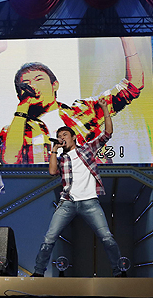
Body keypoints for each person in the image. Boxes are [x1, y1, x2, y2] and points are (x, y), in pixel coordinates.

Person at [0, 37, 144, 164]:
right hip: (48, 185)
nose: (32, 86)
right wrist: (22, 109)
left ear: (55, 85)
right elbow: (9, 160)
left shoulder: (83, 110)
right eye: (25, 84)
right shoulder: (12, 131)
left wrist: (127, 39)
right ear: (19, 95)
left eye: (38, 79)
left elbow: (133, 85)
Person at [32, 98, 123, 277]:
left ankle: (119, 271)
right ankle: (38, 273)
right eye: (59, 136)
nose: (62, 138)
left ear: (73, 137)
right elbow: (52, 171)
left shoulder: (87, 149)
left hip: (90, 202)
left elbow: (108, 133)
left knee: (106, 237)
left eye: (65, 135)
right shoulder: (61, 158)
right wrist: (54, 149)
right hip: (67, 203)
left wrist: (105, 109)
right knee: (49, 238)